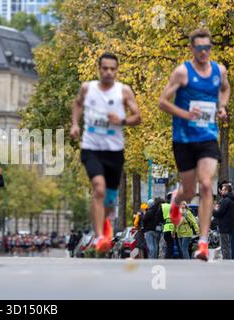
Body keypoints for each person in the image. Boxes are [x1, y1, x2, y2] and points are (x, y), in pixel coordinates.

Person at [159, 28, 231, 261]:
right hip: (184, 139)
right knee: (190, 191)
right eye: (199, 48)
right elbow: (162, 102)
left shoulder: (219, 70)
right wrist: (185, 113)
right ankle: (177, 200)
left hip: (208, 136)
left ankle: (201, 243)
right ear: (192, 49)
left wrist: (221, 107)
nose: (204, 52)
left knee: (207, 184)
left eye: (207, 48)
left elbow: (226, 88)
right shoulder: (182, 72)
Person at [70, 52, 141, 254]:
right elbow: (77, 104)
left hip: (114, 151)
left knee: (109, 201)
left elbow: (138, 117)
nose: (109, 72)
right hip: (91, 148)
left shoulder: (124, 91)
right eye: (105, 68)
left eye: (113, 69)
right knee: (98, 189)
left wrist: (122, 121)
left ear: (116, 71)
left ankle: (105, 223)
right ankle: (100, 235)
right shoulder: (88, 88)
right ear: (99, 69)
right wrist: (75, 124)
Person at [213, 184, 234, 259]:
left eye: (223, 189)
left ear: (226, 191)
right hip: (229, 227)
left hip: (224, 227)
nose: (221, 191)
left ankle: (226, 263)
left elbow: (219, 213)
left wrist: (213, 209)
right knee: (227, 246)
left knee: (225, 247)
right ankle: (228, 262)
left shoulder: (226, 200)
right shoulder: (230, 200)